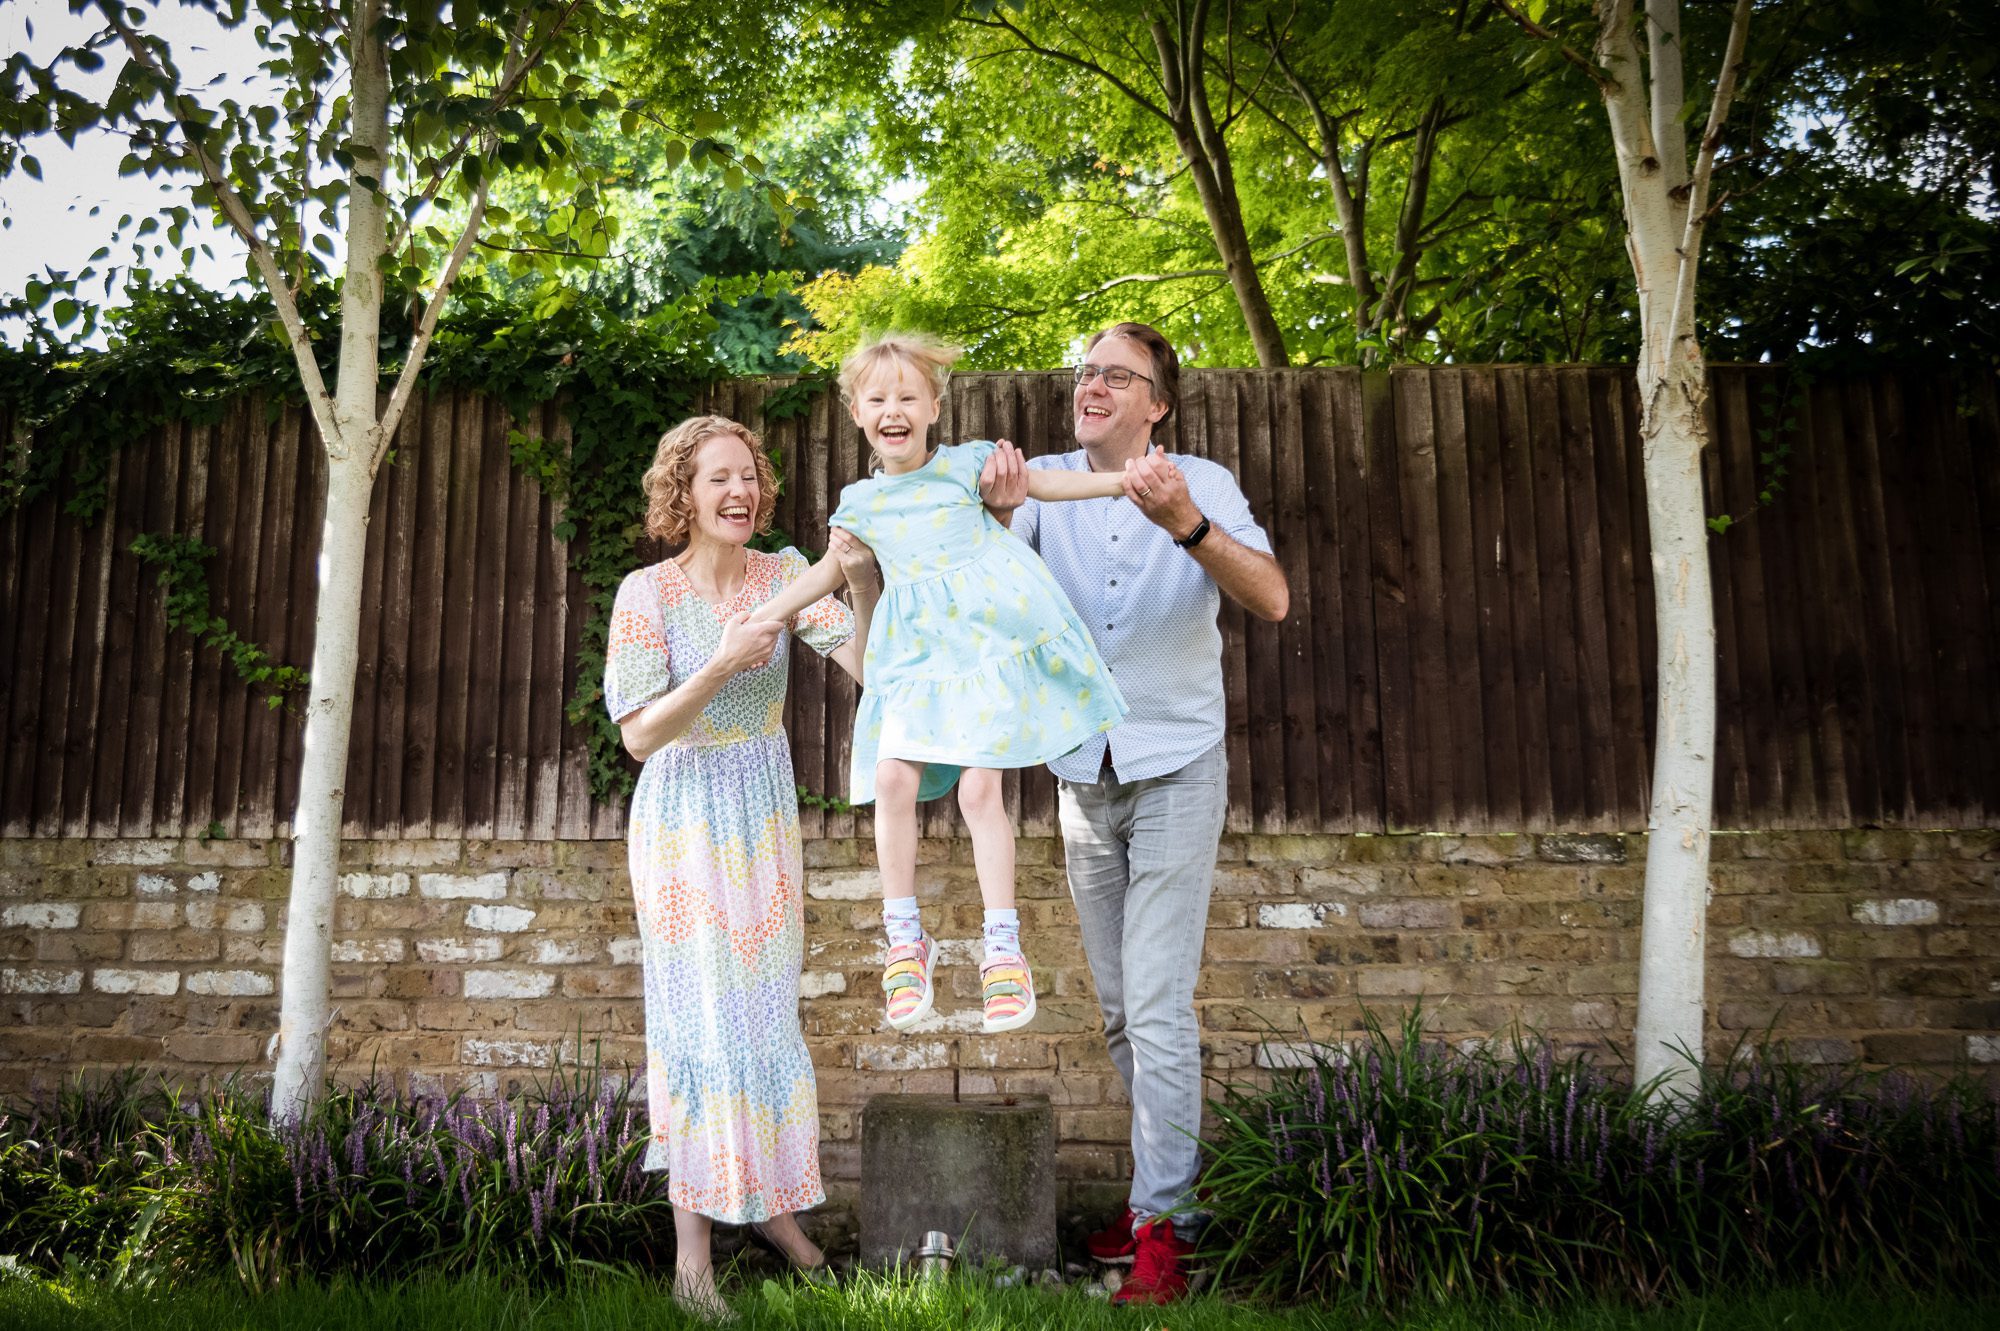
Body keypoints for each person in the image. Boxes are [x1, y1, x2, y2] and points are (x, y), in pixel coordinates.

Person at [981, 321, 1289, 1305]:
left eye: (1118, 374)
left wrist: (1185, 524)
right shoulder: (1034, 480)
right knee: (1121, 1007)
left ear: (1156, 402)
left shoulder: (1201, 478)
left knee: (1156, 1005)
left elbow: (1271, 597)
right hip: (1081, 776)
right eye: (1086, 372)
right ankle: (1168, 1199)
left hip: (1175, 770)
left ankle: (1165, 1225)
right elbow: (989, 598)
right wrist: (992, 517)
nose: (1094, 384)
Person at [749, 333, 1136, 1038]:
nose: (892, 408)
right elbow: (825, 575)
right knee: (892, 781)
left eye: (907, 396)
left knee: (978, 790)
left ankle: (1003, 949)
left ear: (933, 405)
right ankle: (905, 940)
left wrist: (1121, 480)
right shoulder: (859, 500)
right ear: (858, 415)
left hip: (985, 650)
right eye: (877, 398)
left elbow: (1049, 485)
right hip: (918, 663)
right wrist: (768, 612)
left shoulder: (964, 465)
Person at [603, 415, 878, 1319]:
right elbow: (641, 735)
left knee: (765, 1017)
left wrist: (862, 576)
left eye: (750, 477)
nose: (740, 493)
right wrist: (722, 661)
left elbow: (866, 661)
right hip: (684, 817)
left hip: (762, 810)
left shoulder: (784, 574)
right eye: (719, 478)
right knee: (701, 1022)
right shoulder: (646, 593)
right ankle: (692, 1258)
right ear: (682, 493)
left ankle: (771, 1211)